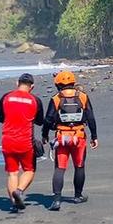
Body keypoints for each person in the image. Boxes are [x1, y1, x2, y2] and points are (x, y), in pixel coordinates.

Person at [41, 70, 98, 211]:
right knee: (79, 166)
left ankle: (56, 200)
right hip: (79, 137)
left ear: (58, 85)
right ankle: (78, 196)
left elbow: (48, 119)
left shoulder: (56, 98)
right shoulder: (83, 97)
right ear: (73, 82)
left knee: (60, 168)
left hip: (62, 137)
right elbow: (90, 118)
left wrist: (45, 134)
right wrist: (94, 136)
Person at [0, 73, 44, 212]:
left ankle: (13, 202)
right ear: (32, 87)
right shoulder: (35, 100)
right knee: (29, 170)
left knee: (12, 172)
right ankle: (19, 191)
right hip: (25, 141)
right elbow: (40, 121)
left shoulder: (7, 97)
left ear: (17, 83)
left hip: (7, 140)